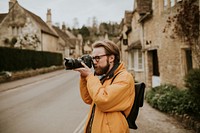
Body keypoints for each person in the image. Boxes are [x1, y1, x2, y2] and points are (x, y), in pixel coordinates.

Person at [74, 39, 135, 133]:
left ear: (111, 58)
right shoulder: (107, 77)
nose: (94, 62)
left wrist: (90, 76)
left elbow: (103, 100)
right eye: (93, 58)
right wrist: (83, 77)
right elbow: (88, 99)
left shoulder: (124, 78)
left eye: (97, 58)